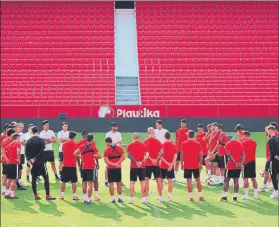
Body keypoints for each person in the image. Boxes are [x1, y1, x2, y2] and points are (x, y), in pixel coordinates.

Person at [26, 126, 56, 200]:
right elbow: (42, 151)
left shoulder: (29, 141)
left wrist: (30, 160)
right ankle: (47, 195)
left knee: (33, 179)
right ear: (38, 131)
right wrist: (36, 157)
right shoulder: (41, 140)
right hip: (41, 162)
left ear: (32, 132)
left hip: (33, 164)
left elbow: (26, 153)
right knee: (46, 178)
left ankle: (35, 195)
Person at [74, 134, 102, 204]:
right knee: (90, 184)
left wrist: (81, 156)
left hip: (84, 167)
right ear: (92, 140)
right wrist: (94, 155)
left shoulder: (82, 146)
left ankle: (85, 198)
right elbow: (100, 156)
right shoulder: (93, 147)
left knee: (84, 183)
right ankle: (88, 200)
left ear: (86, 139)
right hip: (91, 167)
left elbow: (74, 153)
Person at [180, 130, 205, 201]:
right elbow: (201, 154)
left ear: (188, 135)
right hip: (195, 165)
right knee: (198, 180)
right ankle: (200, 196)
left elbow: (182, 155)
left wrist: (182, 164)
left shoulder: (183, 143)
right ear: (194, 136)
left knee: (189, 181)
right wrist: (200, 164)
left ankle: (191, 197)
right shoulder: (198, 143)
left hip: (187, 165)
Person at [220, 136, 245, 202]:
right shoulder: (240, 143)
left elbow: (229, 154)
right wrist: (240, 163)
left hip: (230, 166)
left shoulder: (227, 144)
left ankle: (224, 196)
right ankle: (235, 196)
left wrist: (235, 163)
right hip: (238, 166)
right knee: (236, 180)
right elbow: (244, 155)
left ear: (228, 140)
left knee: (226, 180)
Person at [127, 133, 149, 204]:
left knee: (132, 182)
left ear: (133, 137)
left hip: (133, 166)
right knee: (142, 182)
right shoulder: (143, 145)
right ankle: (143, 198)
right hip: (142, 167)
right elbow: (147, 155)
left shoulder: (130, 145)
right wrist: (141, 162)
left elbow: (129, 156)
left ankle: (131, 199)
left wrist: (136, 162)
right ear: (139, 137)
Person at [143, 127, 163, 203]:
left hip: (148, 164)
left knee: (146, 180)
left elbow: (145, 153)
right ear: (153, 133)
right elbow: (161, 151)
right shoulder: (158, 141)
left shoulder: (145, 141)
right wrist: (156, 159)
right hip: (156, 164)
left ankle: (146, 198)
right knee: (158, 180)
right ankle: (160, 197)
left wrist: (152, 160)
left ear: (148, 133)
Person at [104, 137, 125, 203]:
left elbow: (106, 161)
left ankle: (112, 199)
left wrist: (113, 164)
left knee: (111, 184)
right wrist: (117, 163)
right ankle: (120, 198)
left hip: (110, 169)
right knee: (118, 183)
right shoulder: (119, 148)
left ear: (107, 142)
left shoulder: (106, 150)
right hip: (118, 168)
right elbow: (123, 157)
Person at [259, 123, 279, 192]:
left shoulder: (276, 136)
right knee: (267, 172)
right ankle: (266, 186)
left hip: (273, 158)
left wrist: (275, 156)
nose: (266, 130)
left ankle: (275, 189)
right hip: (270, 157)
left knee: (274, 173)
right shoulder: (271, 136)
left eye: (268, 129)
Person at [60, 131, 79, 200]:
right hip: (73, 165)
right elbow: (77, 154)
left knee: (63, 181)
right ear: (74, 137)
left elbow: (63, 152)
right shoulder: (75, 144)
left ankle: (62, 195)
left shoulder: (64, 144)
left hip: (65, 165)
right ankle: (74, 195)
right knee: (74, 181)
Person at [2, 133, 21, 199]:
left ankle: (7, 193)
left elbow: (3, 151)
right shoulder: (18, 144)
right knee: (14, 179)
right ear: (17, 138)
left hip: (9, 163)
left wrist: (7, 159)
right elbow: (18, 151)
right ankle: (12, 194)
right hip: (14, 163)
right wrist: (19, 159)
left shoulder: (10, 144)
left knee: (9, 179)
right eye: (19, 138)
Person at [160, 132, 178, 201]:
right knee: (170, 182)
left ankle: (160, 196)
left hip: (163, 166)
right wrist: (171, 165)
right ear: (170, 137)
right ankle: (169, 197)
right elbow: (175, 157)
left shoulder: (162, 145)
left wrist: (167, 163)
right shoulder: (173, 146)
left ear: (164, 137)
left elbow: (160, 156)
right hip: (171, 167)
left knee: (161, 181)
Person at [242, 131, 258, 200]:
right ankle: (256, 195)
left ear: (245, 136)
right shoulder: (254, 142)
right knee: (253, 179)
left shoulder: (243, 143)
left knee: (245, 179)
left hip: (245, 163)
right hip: (252, 162)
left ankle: (246, 196)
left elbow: (242, 153)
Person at [105, 122, 122, 187]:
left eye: (117, 126)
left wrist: (120, 149)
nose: (117, 128)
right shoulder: (108, 134)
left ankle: (119, 180)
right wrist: (116, 142)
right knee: (108, 166)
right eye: (115, 126)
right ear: (112, 127)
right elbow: (108, 143)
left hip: (117, 152)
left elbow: (120, 143)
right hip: (110, 152)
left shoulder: (119, 134)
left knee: (118, 165)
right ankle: (106, 181)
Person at [1, 128, 15, 196]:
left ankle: (4, 190)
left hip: (5, 160)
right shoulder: (10, 141)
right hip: (9, 161)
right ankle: (8, 191)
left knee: (5, 175)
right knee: (9, 177)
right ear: (11, 134)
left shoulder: (4, 140)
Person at [267, 125, 279, 198]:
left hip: (273, 161)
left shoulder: (270, 140)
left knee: (273, 176)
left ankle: (276, 193)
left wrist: (276, 156)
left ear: (270, 131)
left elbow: (271, 150)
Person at [15, 123, 27, 188]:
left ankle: (19, 180)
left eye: (22, 127)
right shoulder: (14, 134)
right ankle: (15, 180)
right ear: (17, 127)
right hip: (16, 153)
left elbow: (25, 142)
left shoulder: (23, 134)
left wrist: (19, 141)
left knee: (20, 167)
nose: (22, 128)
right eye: (20, 127)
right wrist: (20, 141)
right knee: (16, 167)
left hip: (22, 152)